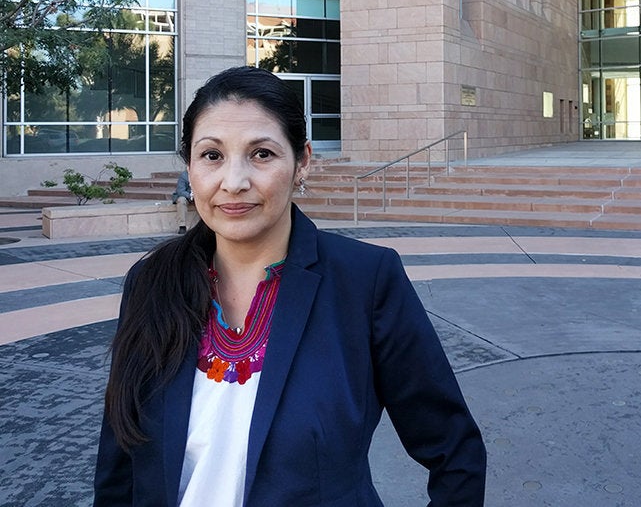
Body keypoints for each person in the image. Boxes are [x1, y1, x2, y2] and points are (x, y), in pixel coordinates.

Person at [94, 66, 486, 506]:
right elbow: (119, 466)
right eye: (212, 156)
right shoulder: (150, 283)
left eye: (261, 154)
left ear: (302, 162)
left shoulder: (364, 281)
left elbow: (456, 453)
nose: (234, 182)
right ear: (190, 165)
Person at [171, 169, 192, 234]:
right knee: (181, 200)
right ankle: (182, 226)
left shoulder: (202, 173)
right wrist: (190, 196)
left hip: (199, 196)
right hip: (187, 196)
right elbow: (180, 191)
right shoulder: (184, 175)